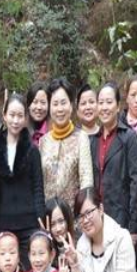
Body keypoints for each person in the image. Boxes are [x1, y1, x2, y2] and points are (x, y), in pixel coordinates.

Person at [0, 94, 45, 268]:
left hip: (28, 223)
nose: (15, 120)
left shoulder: (32, 150)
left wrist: (40, 220)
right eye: (12, 115)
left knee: (30, 271)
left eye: (20, 116)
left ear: (26, 118)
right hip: (3, 222)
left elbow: (38, 187)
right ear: (4, 115)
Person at [91, 81, 137, 238]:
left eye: (109, 102)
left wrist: (133, 226)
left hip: (121, 219)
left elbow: (136, 183)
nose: (104, 107)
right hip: (97, 220)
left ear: (118, 106)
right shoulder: (93, 140)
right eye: (101, 103)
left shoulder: (128, 138)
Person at [40, 77, 94, 210]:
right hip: (48, 217)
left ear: (71, 105)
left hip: (73, 217)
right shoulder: (43, 141)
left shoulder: (81, 138)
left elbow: (86, 182)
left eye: (63, 103)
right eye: (55, 104)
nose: (59, 109)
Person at [26, 82, 50, 146]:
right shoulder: (20, 130)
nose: (39, 107)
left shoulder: (54, 132)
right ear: (28, 105)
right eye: (35, 102)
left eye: (43, 102)